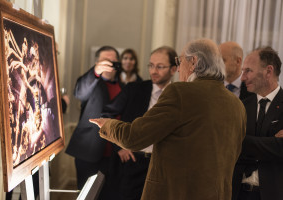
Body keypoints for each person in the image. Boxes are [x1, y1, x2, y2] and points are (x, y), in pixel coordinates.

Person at [90, 38, 246, 200]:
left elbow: (134, 137)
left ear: (193, 62)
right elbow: (233, 155)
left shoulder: (180, 92)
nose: (178, 69)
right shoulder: (237, 105)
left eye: (180, 61)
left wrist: (108, 125)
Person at [101, 46, 177, 200]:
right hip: (133, 162)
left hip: (164, 166)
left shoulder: (179, 96)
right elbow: (107, 114)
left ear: (173, 69)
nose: (154, 71)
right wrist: (119, 145)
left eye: (160, 66)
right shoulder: (134, 89)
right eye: (151, 65)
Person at [65, 46, 123, 192]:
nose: (110, 63)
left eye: (113, 60)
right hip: (89, 151)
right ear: (97, 62)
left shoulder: (124, 86)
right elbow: (79, 93)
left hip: (115, 154)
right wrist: (96, 72)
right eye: (105, 60)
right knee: (88, 193)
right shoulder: (90, 81)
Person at [232, 47, 283, 200]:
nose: (242, 77)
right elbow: (231, 145)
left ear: (269, 71)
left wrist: (243, 141)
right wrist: (271, 143)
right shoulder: (240, 106)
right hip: (238, 192)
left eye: (248, 71)